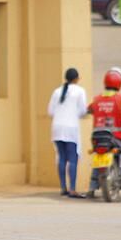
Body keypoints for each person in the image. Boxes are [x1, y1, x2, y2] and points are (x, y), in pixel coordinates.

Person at [48, 68, 88, 198]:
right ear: (76, 79)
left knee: (62, 158)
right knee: (72, 158)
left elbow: (50, 111)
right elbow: (83, 110)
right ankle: (72, 189)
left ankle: (63, 188)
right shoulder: (80, 91)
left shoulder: (57, 91)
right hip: (71, 128)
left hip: (57, 127)